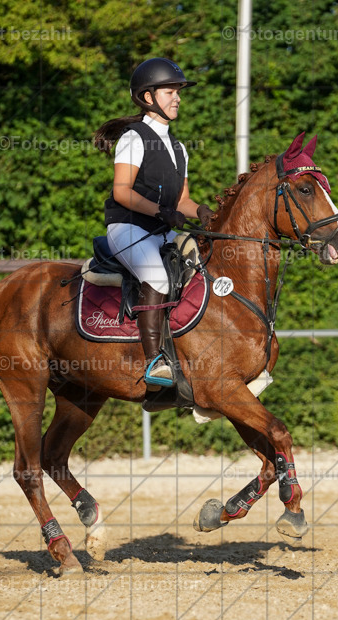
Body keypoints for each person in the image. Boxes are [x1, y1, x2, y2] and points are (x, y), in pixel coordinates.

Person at [94, 58, 214, 389]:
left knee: (204, 265)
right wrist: (161, 212)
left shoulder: (178, 147)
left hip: (161, 232)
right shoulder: (133, 138)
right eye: (170, 91)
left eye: (178, 91)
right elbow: (122, 192)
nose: (177, 97)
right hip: (128, 229)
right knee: (157, 276)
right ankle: (154, 363)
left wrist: (201, 210)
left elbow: (181, 202)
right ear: (148, 98)